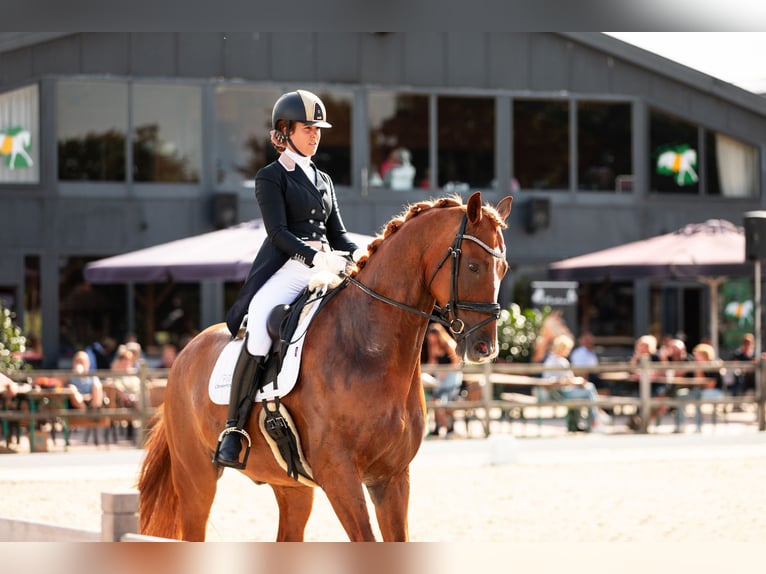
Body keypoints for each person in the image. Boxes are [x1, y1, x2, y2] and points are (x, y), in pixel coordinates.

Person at [218, 89, 365, 468]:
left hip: (327, 266)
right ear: (284, 131)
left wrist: (362, 253)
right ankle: (234, 429)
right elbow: (278, 233)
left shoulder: (323, 178)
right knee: (262, 328)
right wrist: (316, 256)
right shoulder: (272, 177)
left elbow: (339, 232)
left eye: (318, 129)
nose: (315, 134)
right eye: (307, 128)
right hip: (288, 269)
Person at [540, 334, 609, 432]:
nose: (568, 352)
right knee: (589, 390)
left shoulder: (549, 359)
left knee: (587, 390)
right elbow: (566, 380)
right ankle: (594, 421)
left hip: (555, 392)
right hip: (560, 393)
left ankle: (575, 424)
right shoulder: (561, 362)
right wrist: (579, 381)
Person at [421, 323, 462, 438]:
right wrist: (423, 373)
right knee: (434, 399)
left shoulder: (448, 344)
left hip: (451, 377)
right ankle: (440, 428)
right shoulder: (432, 346)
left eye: (433, 338)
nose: (432, 340)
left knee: (437, 401)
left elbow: (456, 362)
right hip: (440, 377)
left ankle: (448, 428)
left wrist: (445, 372)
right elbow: (432, 362)